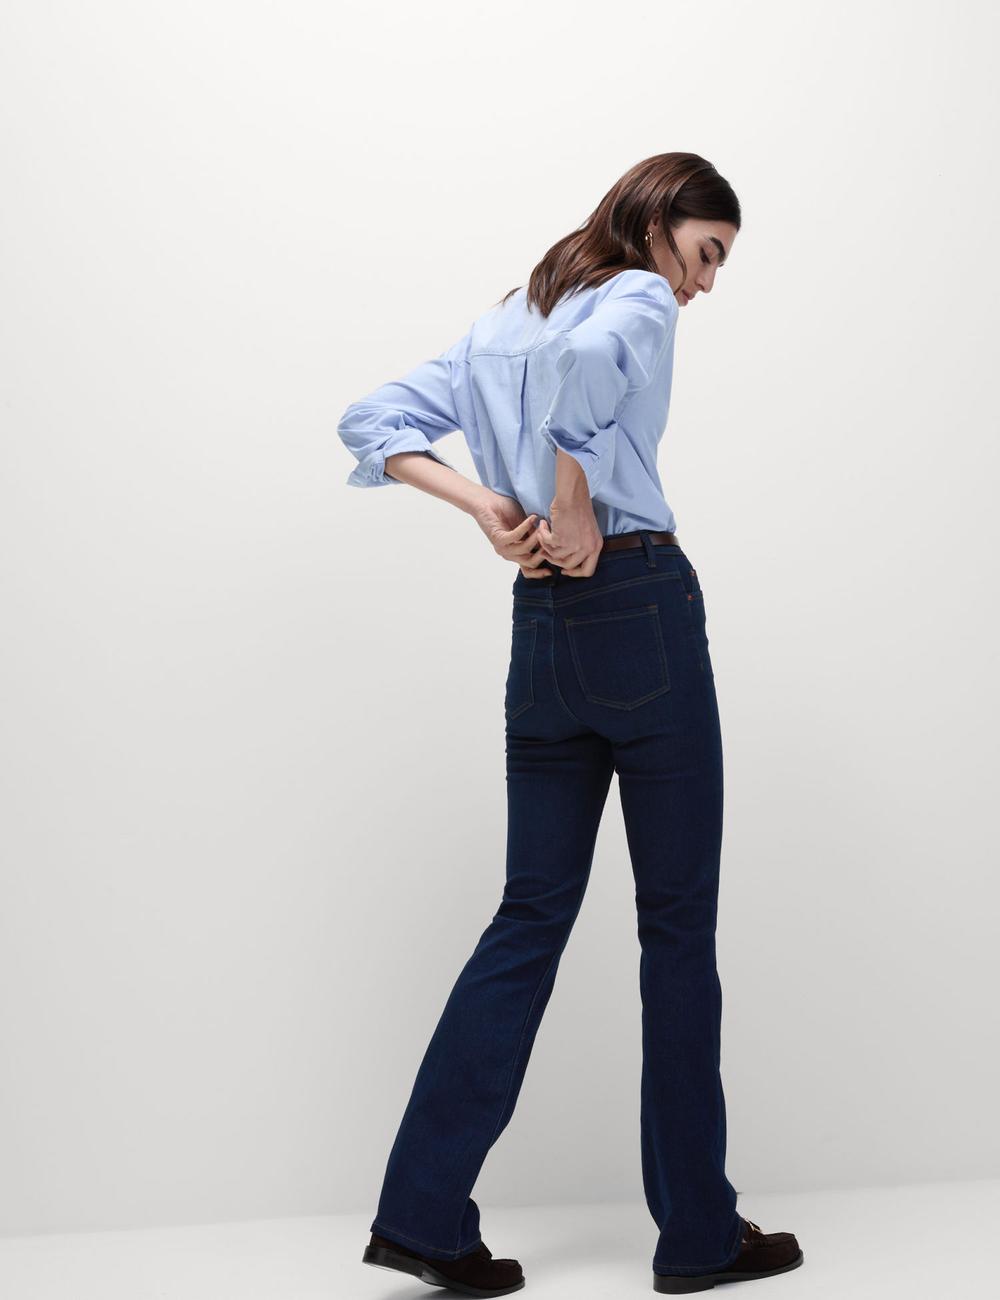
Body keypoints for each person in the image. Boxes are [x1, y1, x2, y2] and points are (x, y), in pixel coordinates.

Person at [338, 152, 803, 1295]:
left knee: (528, 914)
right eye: (706, 253)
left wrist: (483, 505)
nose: (702, 284)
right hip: (638, 608)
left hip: (541, 629)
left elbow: (371, 418)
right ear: (655, 222)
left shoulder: (505, 320)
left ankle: (422, 1212)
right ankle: (698, 1234)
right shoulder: (633, 294)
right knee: (676, 926)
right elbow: (589, 368)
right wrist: (571, 493)